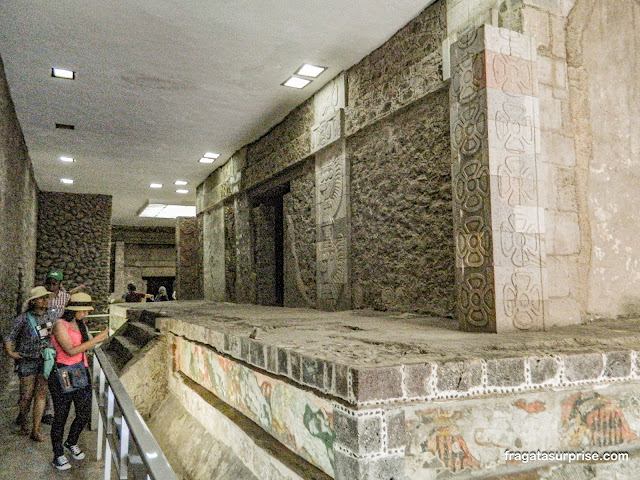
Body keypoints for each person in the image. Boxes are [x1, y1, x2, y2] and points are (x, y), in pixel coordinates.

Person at [49, 292, 108, 471]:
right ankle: (58, 453)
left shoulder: (80, 324)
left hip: (80, 372)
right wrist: (97, 339)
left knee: (84, 412)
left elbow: (83, 348)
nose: (85, 314)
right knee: (61, 415)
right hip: (63, 374)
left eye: (86, 311)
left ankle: (71, 441)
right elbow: (71, 350)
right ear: (73, 310)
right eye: (82, 311)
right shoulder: (60, 325)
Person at [4, 286, 56, 442]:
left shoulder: (51, 317)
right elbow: (9, 336)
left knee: (40, 394)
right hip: (27, 360)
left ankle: (35, 429)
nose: (45, 300)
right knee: (26, 396)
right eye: (42, 298)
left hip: (44, 360)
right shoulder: (23, 318)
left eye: (46, 298)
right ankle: (24, 423)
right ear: (33, 301)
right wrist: (11, 353)